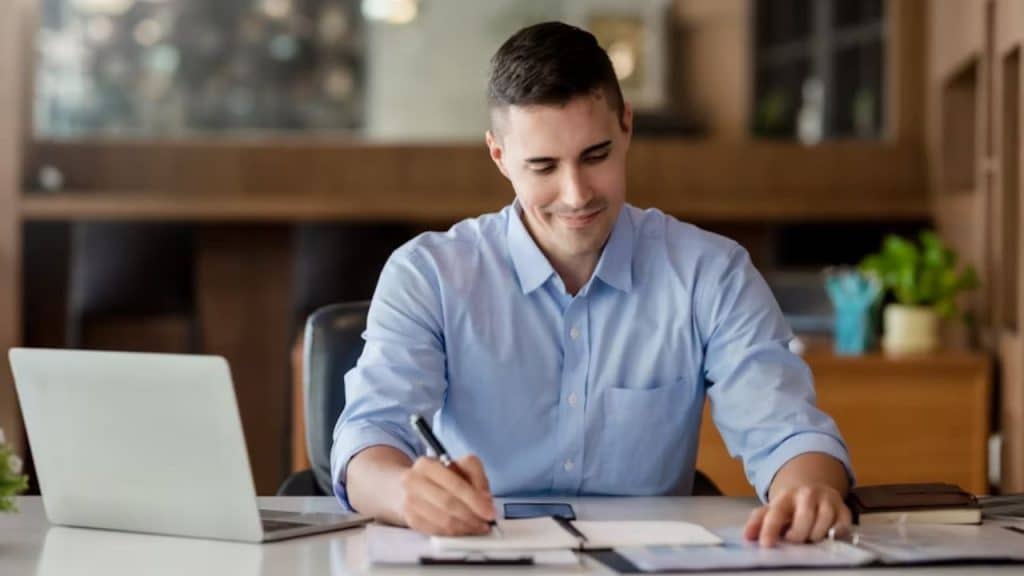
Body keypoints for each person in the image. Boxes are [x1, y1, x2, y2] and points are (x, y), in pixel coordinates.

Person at [331, 21, 854, 547]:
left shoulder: (709, 273)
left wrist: (807, 490)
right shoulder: (429, 275)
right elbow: (368, 437)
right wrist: (403, 492)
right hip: (480, 551)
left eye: (595, 156)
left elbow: (787, 431)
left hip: (647, 561)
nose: (576, 194)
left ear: (626, 126)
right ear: (499, 156)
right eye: (543, 166)